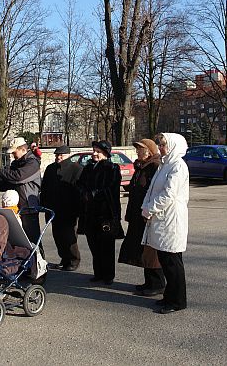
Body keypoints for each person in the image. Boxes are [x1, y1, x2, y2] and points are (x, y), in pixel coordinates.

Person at [142, 133, 190, 314]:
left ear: (173, 146)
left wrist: (150, 209)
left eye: (163, 145)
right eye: (159, 144)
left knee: (172, 261)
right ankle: (169, 296)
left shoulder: (178, 166)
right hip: (160, 217)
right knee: (165, 258)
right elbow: (152, 190)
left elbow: (168, 195)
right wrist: (145, 207)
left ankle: (178, 301)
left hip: (171, 218)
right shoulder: (164, 165)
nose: (160, 147)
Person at [118, 138, 165, 296]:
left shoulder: (155, 167)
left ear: (150, 151)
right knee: (142, 250)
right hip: (138, 214)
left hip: (149, 216)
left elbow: (156, 192)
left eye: (141, 149)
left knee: (152, 251)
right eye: (137, 149)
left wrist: (150, 211)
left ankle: (157, 283)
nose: (137, 151)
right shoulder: (140, 167)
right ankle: (149, 281)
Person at [76, 140, 122, 285]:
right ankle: (98, 272)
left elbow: (111, 188)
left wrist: (94, 194)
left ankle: (108, 275)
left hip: (105, 213)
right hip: (90, 212)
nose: (94, 154)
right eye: (94, 150)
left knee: (106, 245)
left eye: (98, 151)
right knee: (93, 243)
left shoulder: (112, 168)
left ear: (105, 154)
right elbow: (80, 183)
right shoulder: (88, 168)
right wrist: (83, 193)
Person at [0, 137, 42, 245]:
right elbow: (10, 181)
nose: (13, 155)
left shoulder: (32, 163)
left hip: (29, 207)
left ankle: (38, 260)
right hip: (15, 207)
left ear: (23, 149)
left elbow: (18, 177)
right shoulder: (16, 164)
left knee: (32, 239)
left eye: (14, 152)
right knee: (18, 240)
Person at [40, 144, 83, 271]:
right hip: (53, 208)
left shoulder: (76, 168)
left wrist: (77, 208)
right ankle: (64, 259)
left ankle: (74, 260)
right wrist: (44, 205)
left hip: (69, 208)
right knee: (57, 235)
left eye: (61, 155)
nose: (59, 157)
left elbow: (78, 190)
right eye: (57, 155)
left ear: (68, 155)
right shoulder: (50, 168)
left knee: (69, 236)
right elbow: (45, 188)